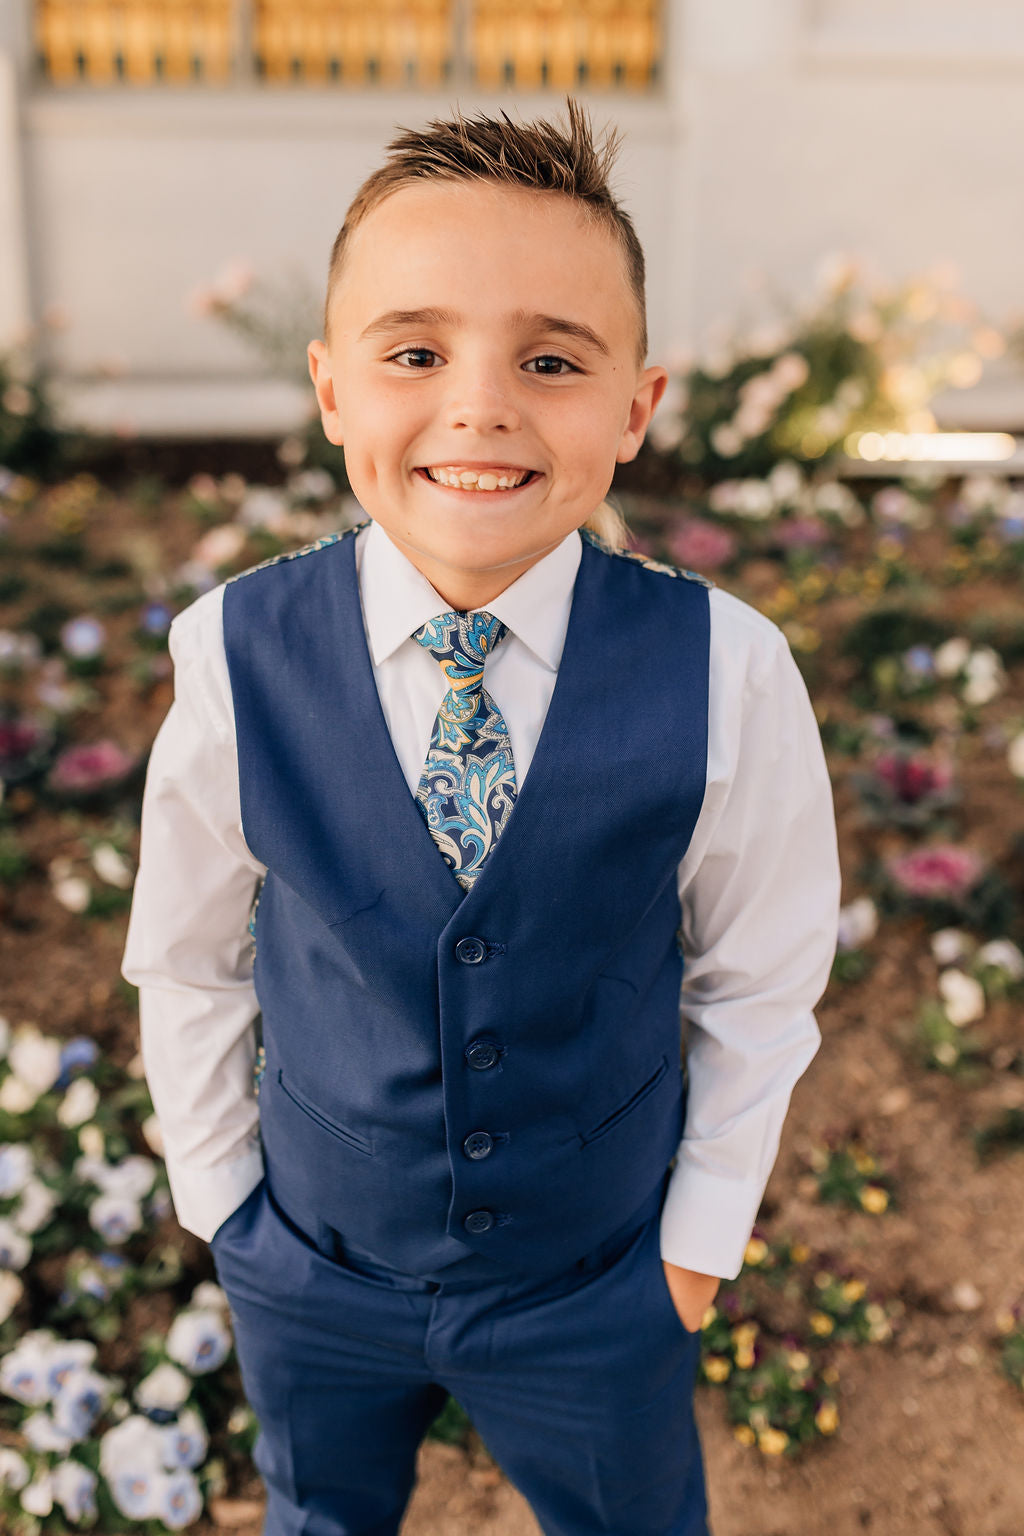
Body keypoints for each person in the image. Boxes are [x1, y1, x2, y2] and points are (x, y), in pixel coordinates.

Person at [121, 95, 840, 1536]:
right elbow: (187, 951)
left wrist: (694, 1248)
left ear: (636, 407)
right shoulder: (235, 652)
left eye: (553, 360)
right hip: (312, 1267)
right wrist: (227, 1212)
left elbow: (762, 976)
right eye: (415, 352)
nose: (481, 404)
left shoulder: (729, 669)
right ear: (332, 392)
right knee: (322, 1517)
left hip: (597, 1282)